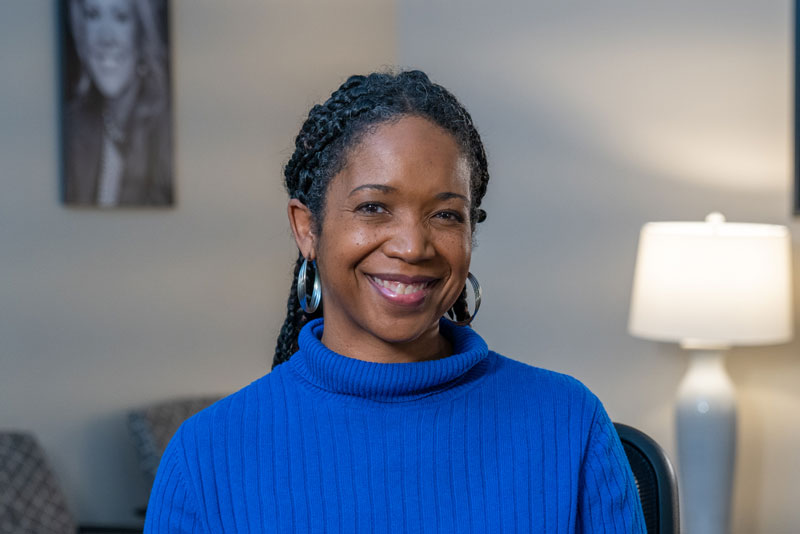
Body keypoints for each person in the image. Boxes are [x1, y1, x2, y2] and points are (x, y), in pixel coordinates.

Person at [144, 70, 646, 532]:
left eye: (446, 215)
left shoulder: (567, 424)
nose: (412, 246)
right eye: (374, 208)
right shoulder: (206, 457)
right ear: (307, 228)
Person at [63, 0, 172, 207]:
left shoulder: (168, 126)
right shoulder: (72, 126)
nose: (105, 38)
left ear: (142, 32)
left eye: (121, 17)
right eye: (93, 15)